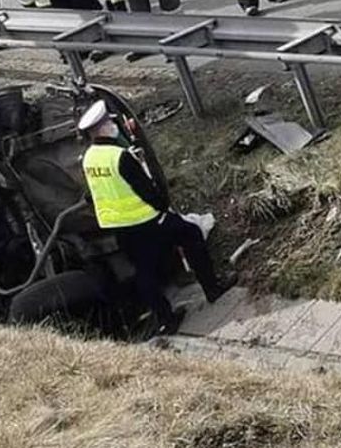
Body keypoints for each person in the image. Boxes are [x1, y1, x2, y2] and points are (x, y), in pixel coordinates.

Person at [78, 100, 234, 334]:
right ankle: (213, 288)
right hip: (147, 220)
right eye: (109, 122)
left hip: (120, 227)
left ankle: (166, 320)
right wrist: (162, 206)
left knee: (144, 272)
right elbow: (146, 190)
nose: (113, 124)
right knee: (190, 234)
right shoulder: (119, 156)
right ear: (102, 128)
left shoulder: (89, 158)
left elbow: (93, 195)